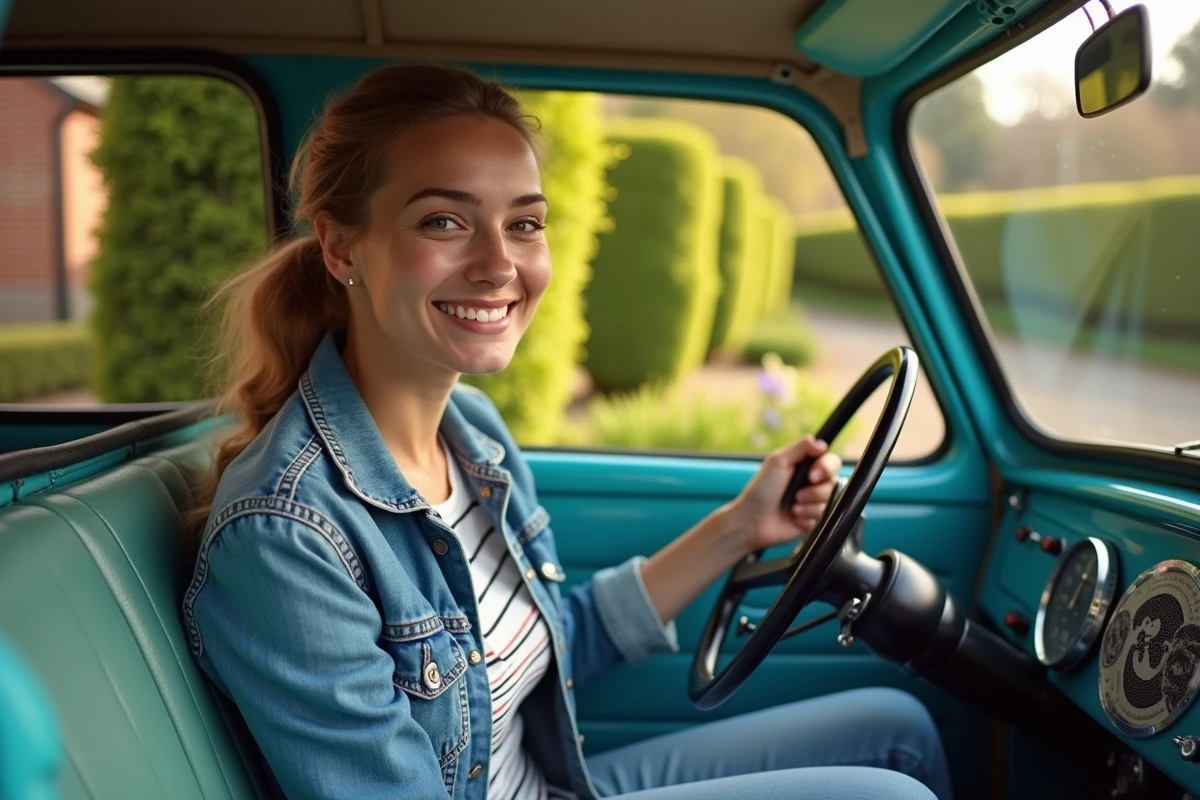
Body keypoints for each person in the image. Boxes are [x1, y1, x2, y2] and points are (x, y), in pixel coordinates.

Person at [183, 63, 953, 800]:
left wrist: (740, 527)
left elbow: (546, 643)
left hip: (558, 782)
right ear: (341, 246)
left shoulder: (470, 433)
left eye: (525, 223)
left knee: (897, 725)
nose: (498, 264)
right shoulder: (287, 534)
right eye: (444, 221)